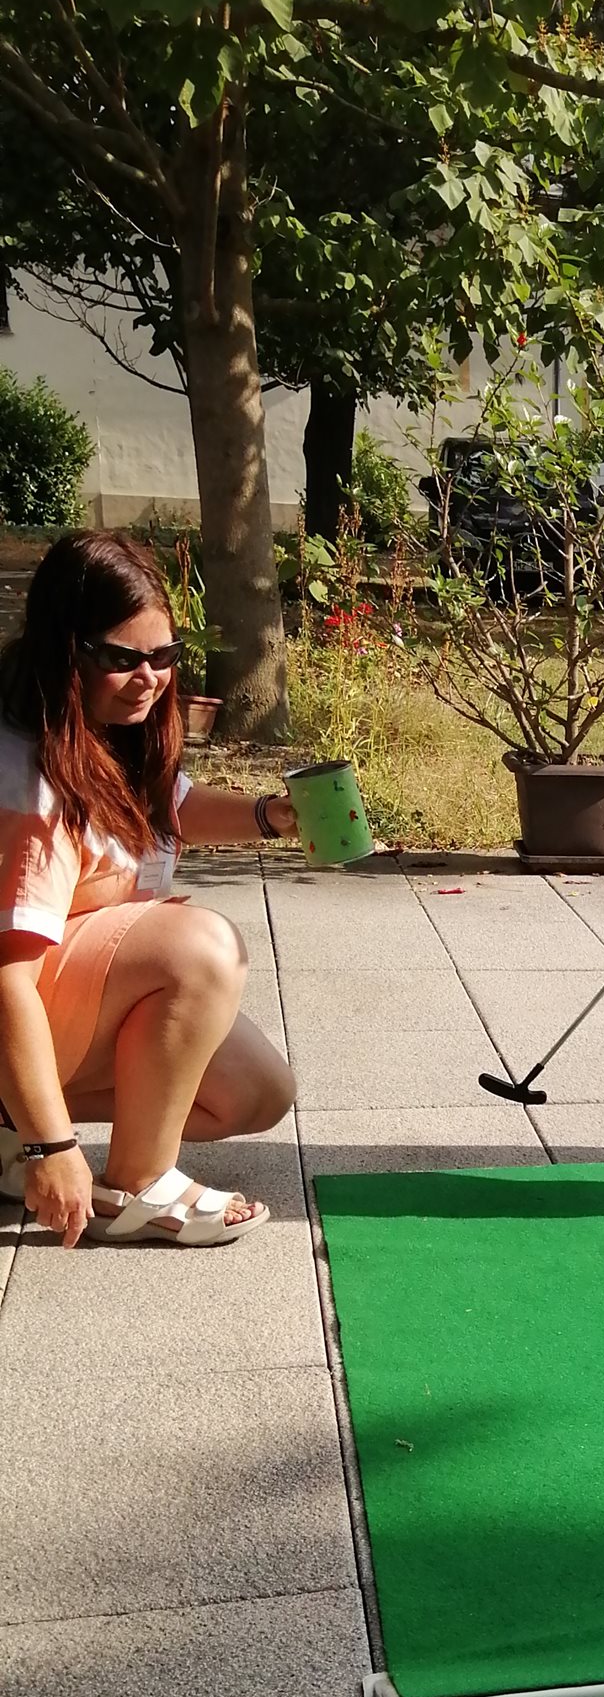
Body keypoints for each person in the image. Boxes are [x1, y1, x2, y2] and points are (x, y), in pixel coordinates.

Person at [0, 530, 297, 1248]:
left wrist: (271, 816)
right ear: (67, 652)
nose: (149, 677)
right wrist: (53, 1147)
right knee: (199, 947)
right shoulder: (31, 784)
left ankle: (8, 1126)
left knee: (254, 1094)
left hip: (49, 1004)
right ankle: (137, 1183)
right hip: (14, 996)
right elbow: (6, 976)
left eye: (164, 656)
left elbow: (171, 806)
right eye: (122, 659)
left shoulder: (101, 728)